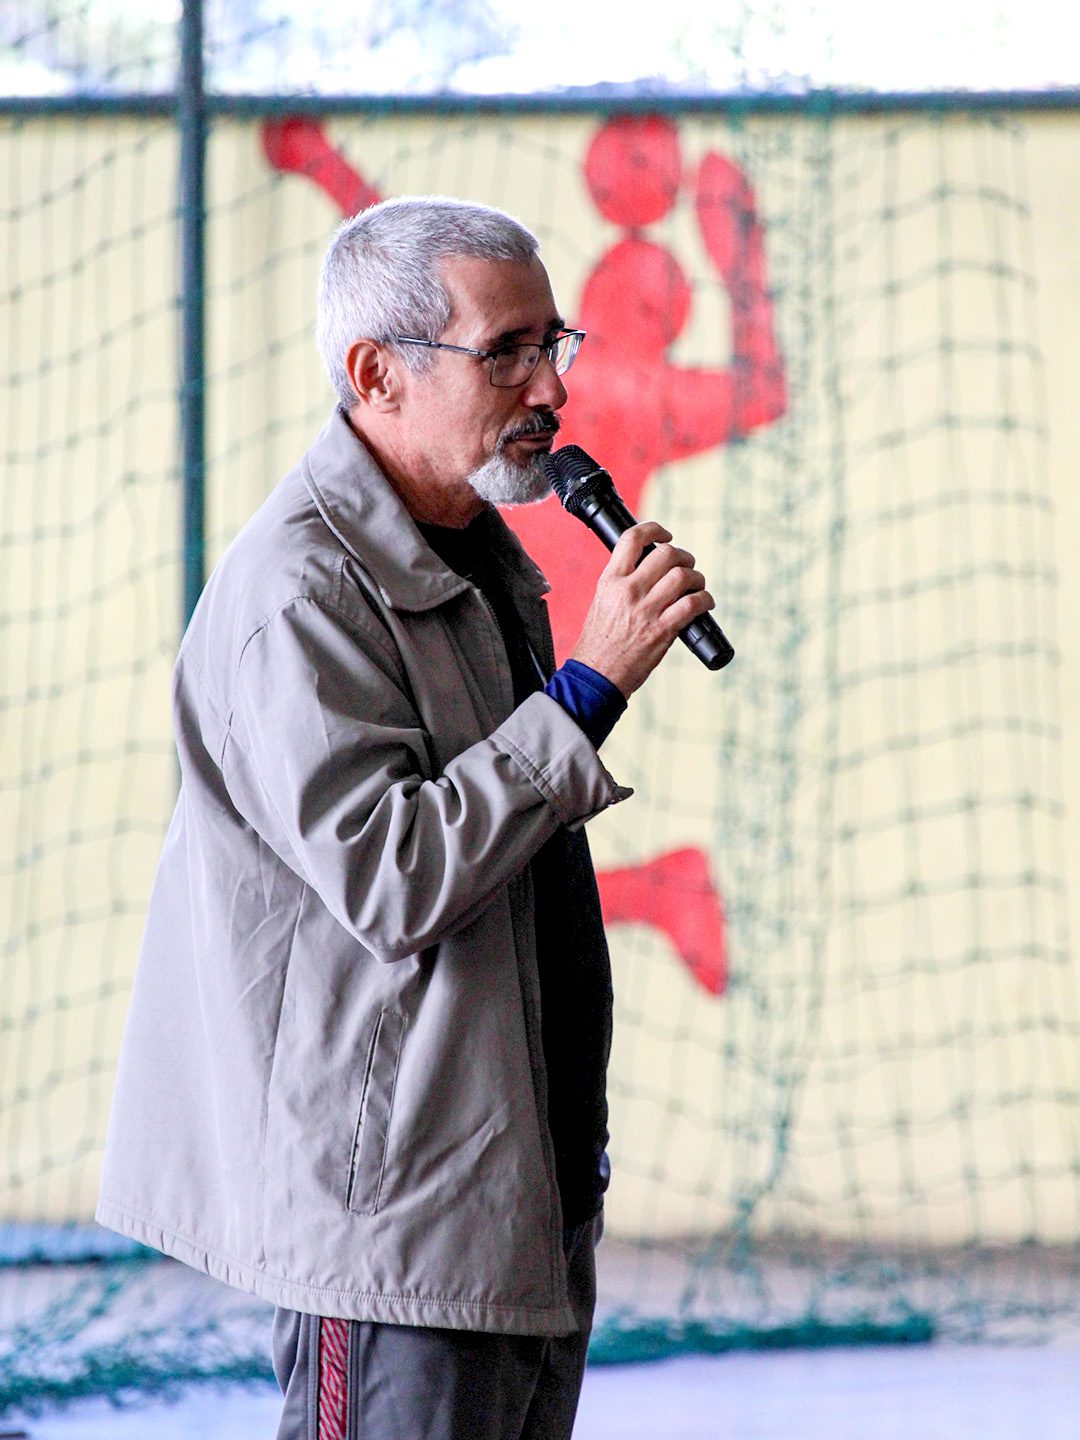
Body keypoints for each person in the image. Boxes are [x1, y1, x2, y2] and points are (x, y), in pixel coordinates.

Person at [96, 196, 715, 1440]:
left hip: (519, 1193)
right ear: (376, 373)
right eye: (508, 353)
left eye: (555, 344)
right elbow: (392, 876)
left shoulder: (476, 552)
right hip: (392, 1230)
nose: (552, 389)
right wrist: (586, 693)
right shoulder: (302, 592)